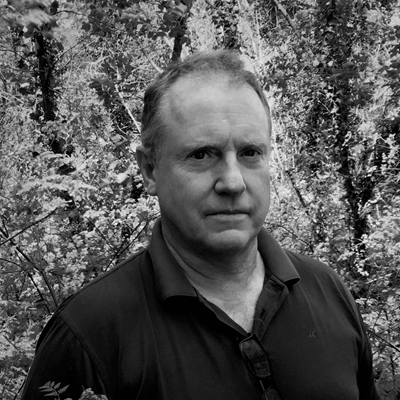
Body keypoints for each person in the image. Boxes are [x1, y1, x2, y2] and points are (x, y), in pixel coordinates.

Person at [21, 50, 379, 400]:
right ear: (149, 170)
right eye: (201, 154)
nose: (233, 182)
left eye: (250, 153)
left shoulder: (327, 291)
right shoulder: (90, 333)